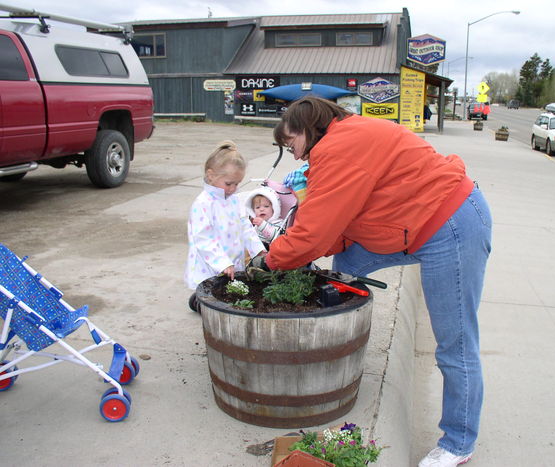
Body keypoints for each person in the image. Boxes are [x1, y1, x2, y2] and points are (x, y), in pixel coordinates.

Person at [251, 97, 492, 467]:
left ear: (306, 126)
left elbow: (314, 233)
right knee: (346, 265)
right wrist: (295, 253)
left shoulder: (340, 147)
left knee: (455, 343)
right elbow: (336, 226)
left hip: (451, 226)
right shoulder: (341, 139)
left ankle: (459, 443)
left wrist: (271, 260)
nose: (294, 156)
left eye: (291, 143)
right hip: (411, 226)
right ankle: (336, 344)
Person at [185, 140, 266, 312]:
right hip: (211, 261)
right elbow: (203, 238)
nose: (233, 188)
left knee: (230, 289)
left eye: (237, 184)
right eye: (228, 183)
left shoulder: (234, 199)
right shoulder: (203, 203)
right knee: (212, 287)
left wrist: (257, 248)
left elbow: (245, 225)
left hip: (231, 257)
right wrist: (221, 263)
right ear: (211, 175)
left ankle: (214, 304)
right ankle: (201, 302)